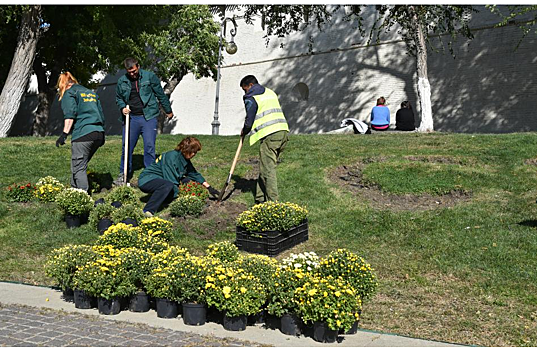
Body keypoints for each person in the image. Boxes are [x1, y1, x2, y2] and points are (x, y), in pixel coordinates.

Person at [114, 57, 174, 186]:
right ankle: (123, 175)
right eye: (129, 72)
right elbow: (119, 98)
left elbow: (160, 94)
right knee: (127, 147)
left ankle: (150, 175)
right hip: (131, 118)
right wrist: (122, 107)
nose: (132, 74)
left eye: (134, 71)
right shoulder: (122, 81)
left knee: (149, 146)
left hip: (148, 116)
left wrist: (168, 110)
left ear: (138, 66)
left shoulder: (149, 77)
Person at [137, 136, 220, 216]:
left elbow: (193, 174)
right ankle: (148, 211)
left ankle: (166, 199)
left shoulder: (185, 159)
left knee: (186, 181)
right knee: (168, 185)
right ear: (186, 150)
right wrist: (185, 199)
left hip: (161, 180)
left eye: (196, 152)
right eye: (193, 151)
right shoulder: (171, 157)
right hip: (147, 180)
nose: (194, 154)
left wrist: (209, 187)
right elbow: (171, 180)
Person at [240, 75, 289, 204]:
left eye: (244, 89)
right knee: (265, 167)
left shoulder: (251, 97)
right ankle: (260, 199)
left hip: (271, 135)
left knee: (268, 170)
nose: (245, 92)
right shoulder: (270, 92)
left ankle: (273, 204)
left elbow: (249, 120)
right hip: (283, 132)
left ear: (250, 85)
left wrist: (244, 130)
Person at [55, 72, 105, 193]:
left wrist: (64, 134)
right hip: (99, 134)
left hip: (83, 135)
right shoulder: (90, 92)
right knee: (78, 166)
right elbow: (102, 116)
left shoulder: (70, 93)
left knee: (79, 168)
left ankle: (82, 199)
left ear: (62, 84)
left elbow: (70, 115)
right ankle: (73, 192)